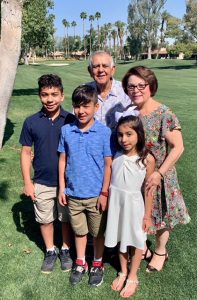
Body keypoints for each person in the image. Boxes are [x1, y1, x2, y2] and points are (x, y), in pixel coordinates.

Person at [121, 66, 190, 272]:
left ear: (151, 86)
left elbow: (178, 147)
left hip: (159, 175)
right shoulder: (132, 114)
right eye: (131, 86)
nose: (136, 90)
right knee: (139, 213)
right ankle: (142, 247)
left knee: (161, 215)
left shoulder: (163, 113)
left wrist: (159, 173)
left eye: (141, 85)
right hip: (137, 176)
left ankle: (160, 251)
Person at [19, 74, 76, 273]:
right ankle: (51, 250)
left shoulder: (71, 119)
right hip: (42, 180)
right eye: (45, 95)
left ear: (62, 96)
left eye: (54, 94)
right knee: (45, 218)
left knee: (66, 218)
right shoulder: (31, 122)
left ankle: (66, 249)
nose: (49, 99)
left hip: (67, 181)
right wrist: (28, 181)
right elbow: (26, 152)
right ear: (39, 95)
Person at [58, 85, 113, 287]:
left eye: (86, 106)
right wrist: (62, 188)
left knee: (97, 232)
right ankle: (80, 261)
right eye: (77, 106)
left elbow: (108, 164)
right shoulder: (67, 130)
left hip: (96, 195)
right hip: (73, 194)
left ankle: (97, 262)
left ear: (96, 107)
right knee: (79, 232)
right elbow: (62, 160)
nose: (81, 111)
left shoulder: (104, 132)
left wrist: (105, 192)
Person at [105, 115, 155, 298]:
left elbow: (149, 190)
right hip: (117, 204)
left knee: (136, 240)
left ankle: (133, 276)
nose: (124, 139)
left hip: (135, 206)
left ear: (139, 134)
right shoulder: (116, 155)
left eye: (129, 134)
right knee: (120, 238)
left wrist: (147, 216)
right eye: (120, 135)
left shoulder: (147, 159)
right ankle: (123, 271)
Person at [87, 50, 131, 130]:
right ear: (90, 71)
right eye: (96, 66)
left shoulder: (126, 91)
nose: (100, 70)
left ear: (112, 70)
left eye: (105, 66)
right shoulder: (84, 91)